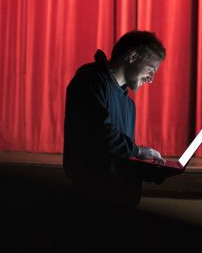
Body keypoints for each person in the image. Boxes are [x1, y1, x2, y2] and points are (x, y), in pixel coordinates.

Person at [62, 30, 166, 209]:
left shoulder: (129, 105)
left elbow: (118, 158)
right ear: (133, 56)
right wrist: (138, 152)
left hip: (122, 202)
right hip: (93, 202)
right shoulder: (90, 81)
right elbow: (100, 136)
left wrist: (148, 170)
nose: (151, 79)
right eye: (151, 69)